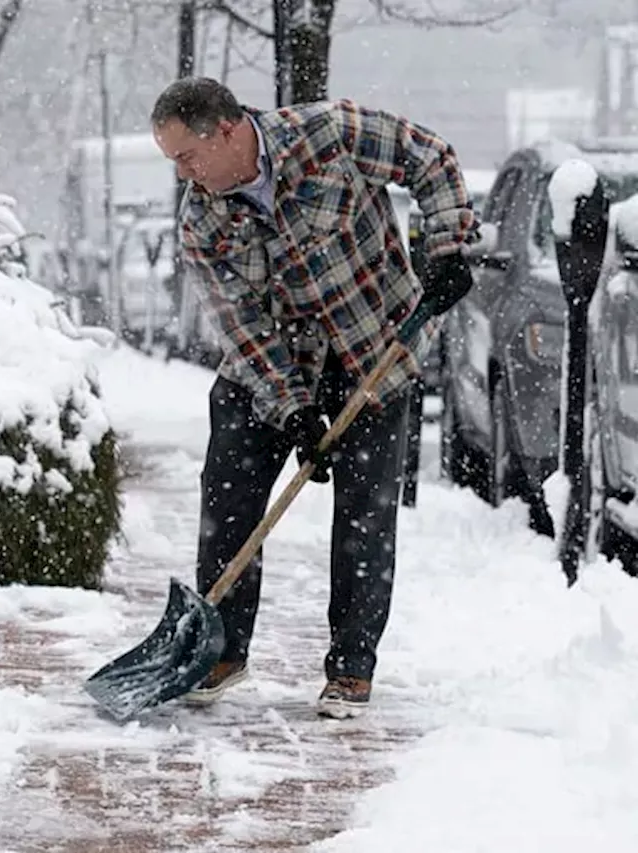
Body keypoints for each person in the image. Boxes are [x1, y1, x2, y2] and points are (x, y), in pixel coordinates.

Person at [150, 77, 478, 719]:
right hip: (275, 367)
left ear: (226, 130)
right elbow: (243, 327)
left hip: (374, 348)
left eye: (187, 155)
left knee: (364, 516)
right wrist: (294, 408)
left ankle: (351, 669)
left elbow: (430, 157)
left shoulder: (328, 134)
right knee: (228, 494)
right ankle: (220, 649)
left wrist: (446, 247)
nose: (184, 173)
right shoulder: (200, 222)